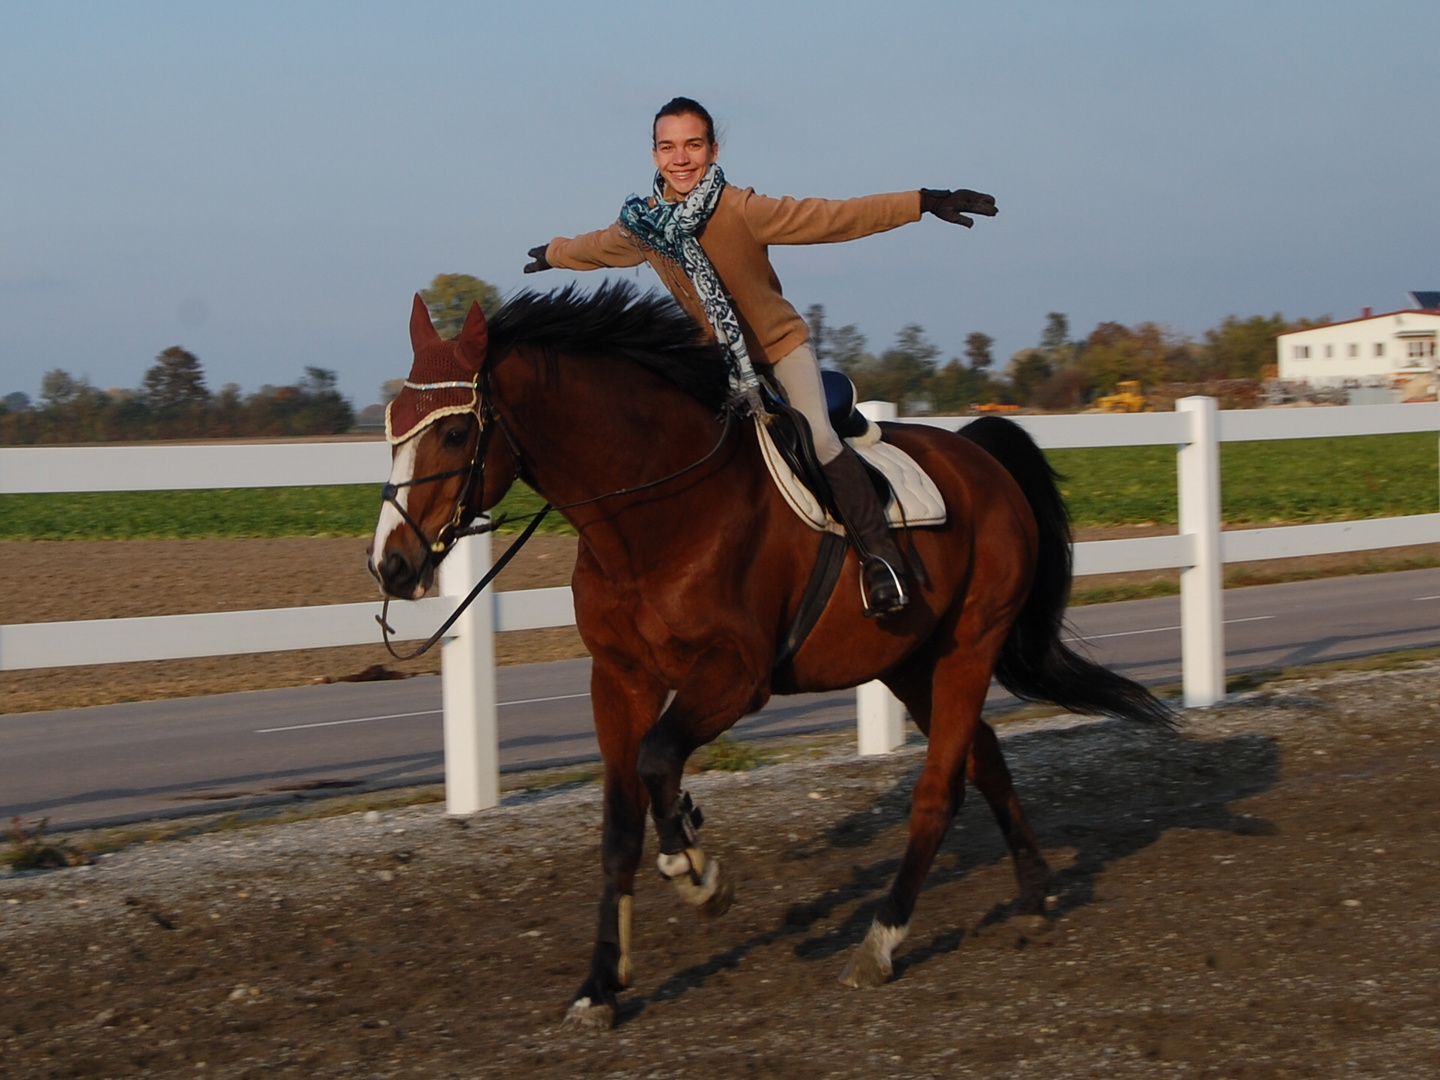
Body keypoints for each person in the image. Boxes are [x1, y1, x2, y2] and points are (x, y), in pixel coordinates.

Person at [523, 96, 997, 617]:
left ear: (712, 150)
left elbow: (834, 218)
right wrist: (553, 253)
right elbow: (596, 247)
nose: (680, 158)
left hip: (779, 351)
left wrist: (923, 201)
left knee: (817, 440)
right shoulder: (644, 227)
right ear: (655, 155)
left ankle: (882, 561)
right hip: (710, 364)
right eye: (668, 147)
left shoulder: (742, 209)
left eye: (692, 146)